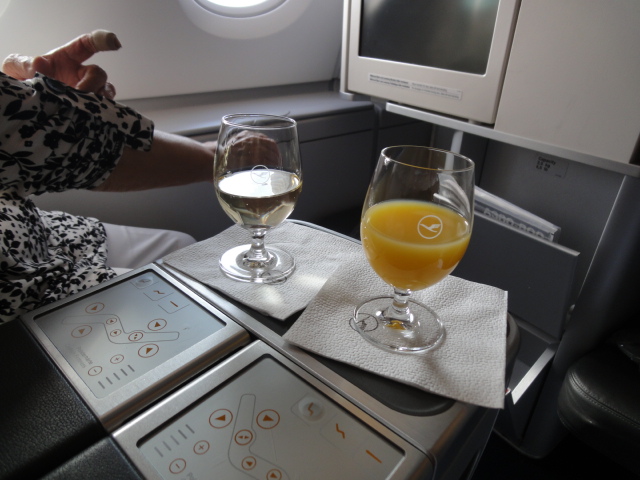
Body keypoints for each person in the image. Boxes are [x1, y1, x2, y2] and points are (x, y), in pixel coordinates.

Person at [0, 31, 216, 324]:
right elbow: (90, 153)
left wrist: (36, 94)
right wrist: (216, 160)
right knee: (185, 303)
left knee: (182, 247)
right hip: (17, 290)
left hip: (32, 230)